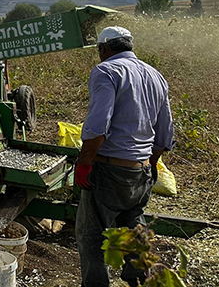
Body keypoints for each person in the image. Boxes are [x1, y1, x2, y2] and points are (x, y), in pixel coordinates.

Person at [74, 26, 175, 287]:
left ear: (103, 49)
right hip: (141, 171)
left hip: (109, 171)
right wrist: (150, 164)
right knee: (134, 228)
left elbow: (98, 128)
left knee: (90, 237)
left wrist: (84, 164)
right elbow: (164, 133)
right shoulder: (155, 75)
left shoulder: (106, 71)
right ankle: (140, 280)